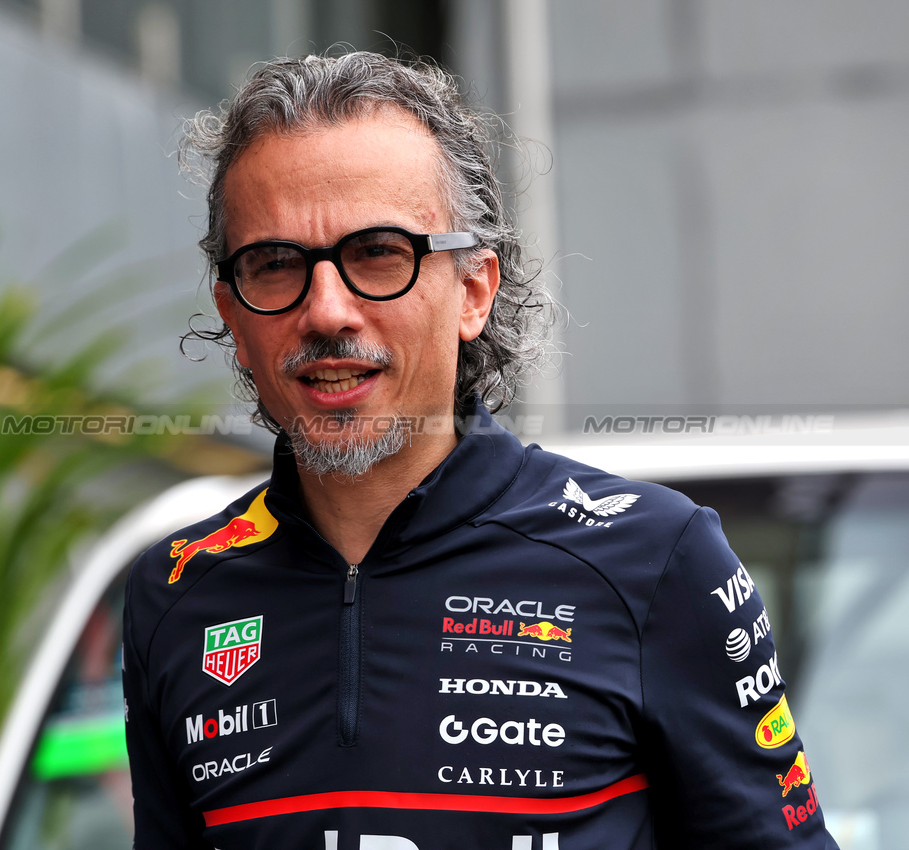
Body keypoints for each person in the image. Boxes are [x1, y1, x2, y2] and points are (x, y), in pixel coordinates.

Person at [121, 51, 837, 849]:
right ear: (231, 314)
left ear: (472, 291)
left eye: (378, 253)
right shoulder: (174, 594)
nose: (325, 311)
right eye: (275, 264)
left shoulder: (655, 561)